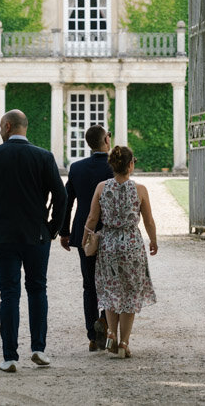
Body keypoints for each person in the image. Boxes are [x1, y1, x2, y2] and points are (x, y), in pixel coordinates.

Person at [0, 109, 67, 373]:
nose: (0, 130)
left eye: (1, 126)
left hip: (3, 236)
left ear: (8, 126)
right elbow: (61, 196)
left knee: (9, 293)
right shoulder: (44, 157)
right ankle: (39, 349)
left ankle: (10, 355)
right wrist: (52, 229)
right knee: (37, 289)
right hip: (36, 235)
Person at [84, 144, 157, 359]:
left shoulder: (101, 187)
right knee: (130, 292)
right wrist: (153, 241)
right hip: (131, 244)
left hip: (108, 243)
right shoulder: (140, 190)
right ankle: (124, 342)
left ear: (112, 166)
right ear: (131, 165)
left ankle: (110, 334)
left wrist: (85, 237)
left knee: (110, 290)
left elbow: (92, 218)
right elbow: (149, 221)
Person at [59, 125, 114, 352]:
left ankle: (92, 335)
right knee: (110, 282)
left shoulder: (77, 168)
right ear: (107, 140)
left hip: (85, 233)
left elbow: (67, 200)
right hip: (111, 232)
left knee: (89, 284)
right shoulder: (115, 167)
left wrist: (64, 231)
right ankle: (104, 322)